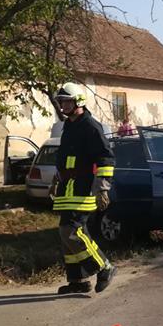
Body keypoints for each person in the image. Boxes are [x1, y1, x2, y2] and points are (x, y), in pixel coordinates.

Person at [52, 82, 117, 295]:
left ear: (78, 102)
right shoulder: (69, 126)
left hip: (83, 187)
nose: (63, 105)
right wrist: (56, 180)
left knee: (72, 230)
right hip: (67, 188)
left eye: (67, 102)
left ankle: (104, 267)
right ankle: (78, 280)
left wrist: (102, 189)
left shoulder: (90, 126)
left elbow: (106, 158)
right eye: (61, 102)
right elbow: (64, 158)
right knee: (66, 234)